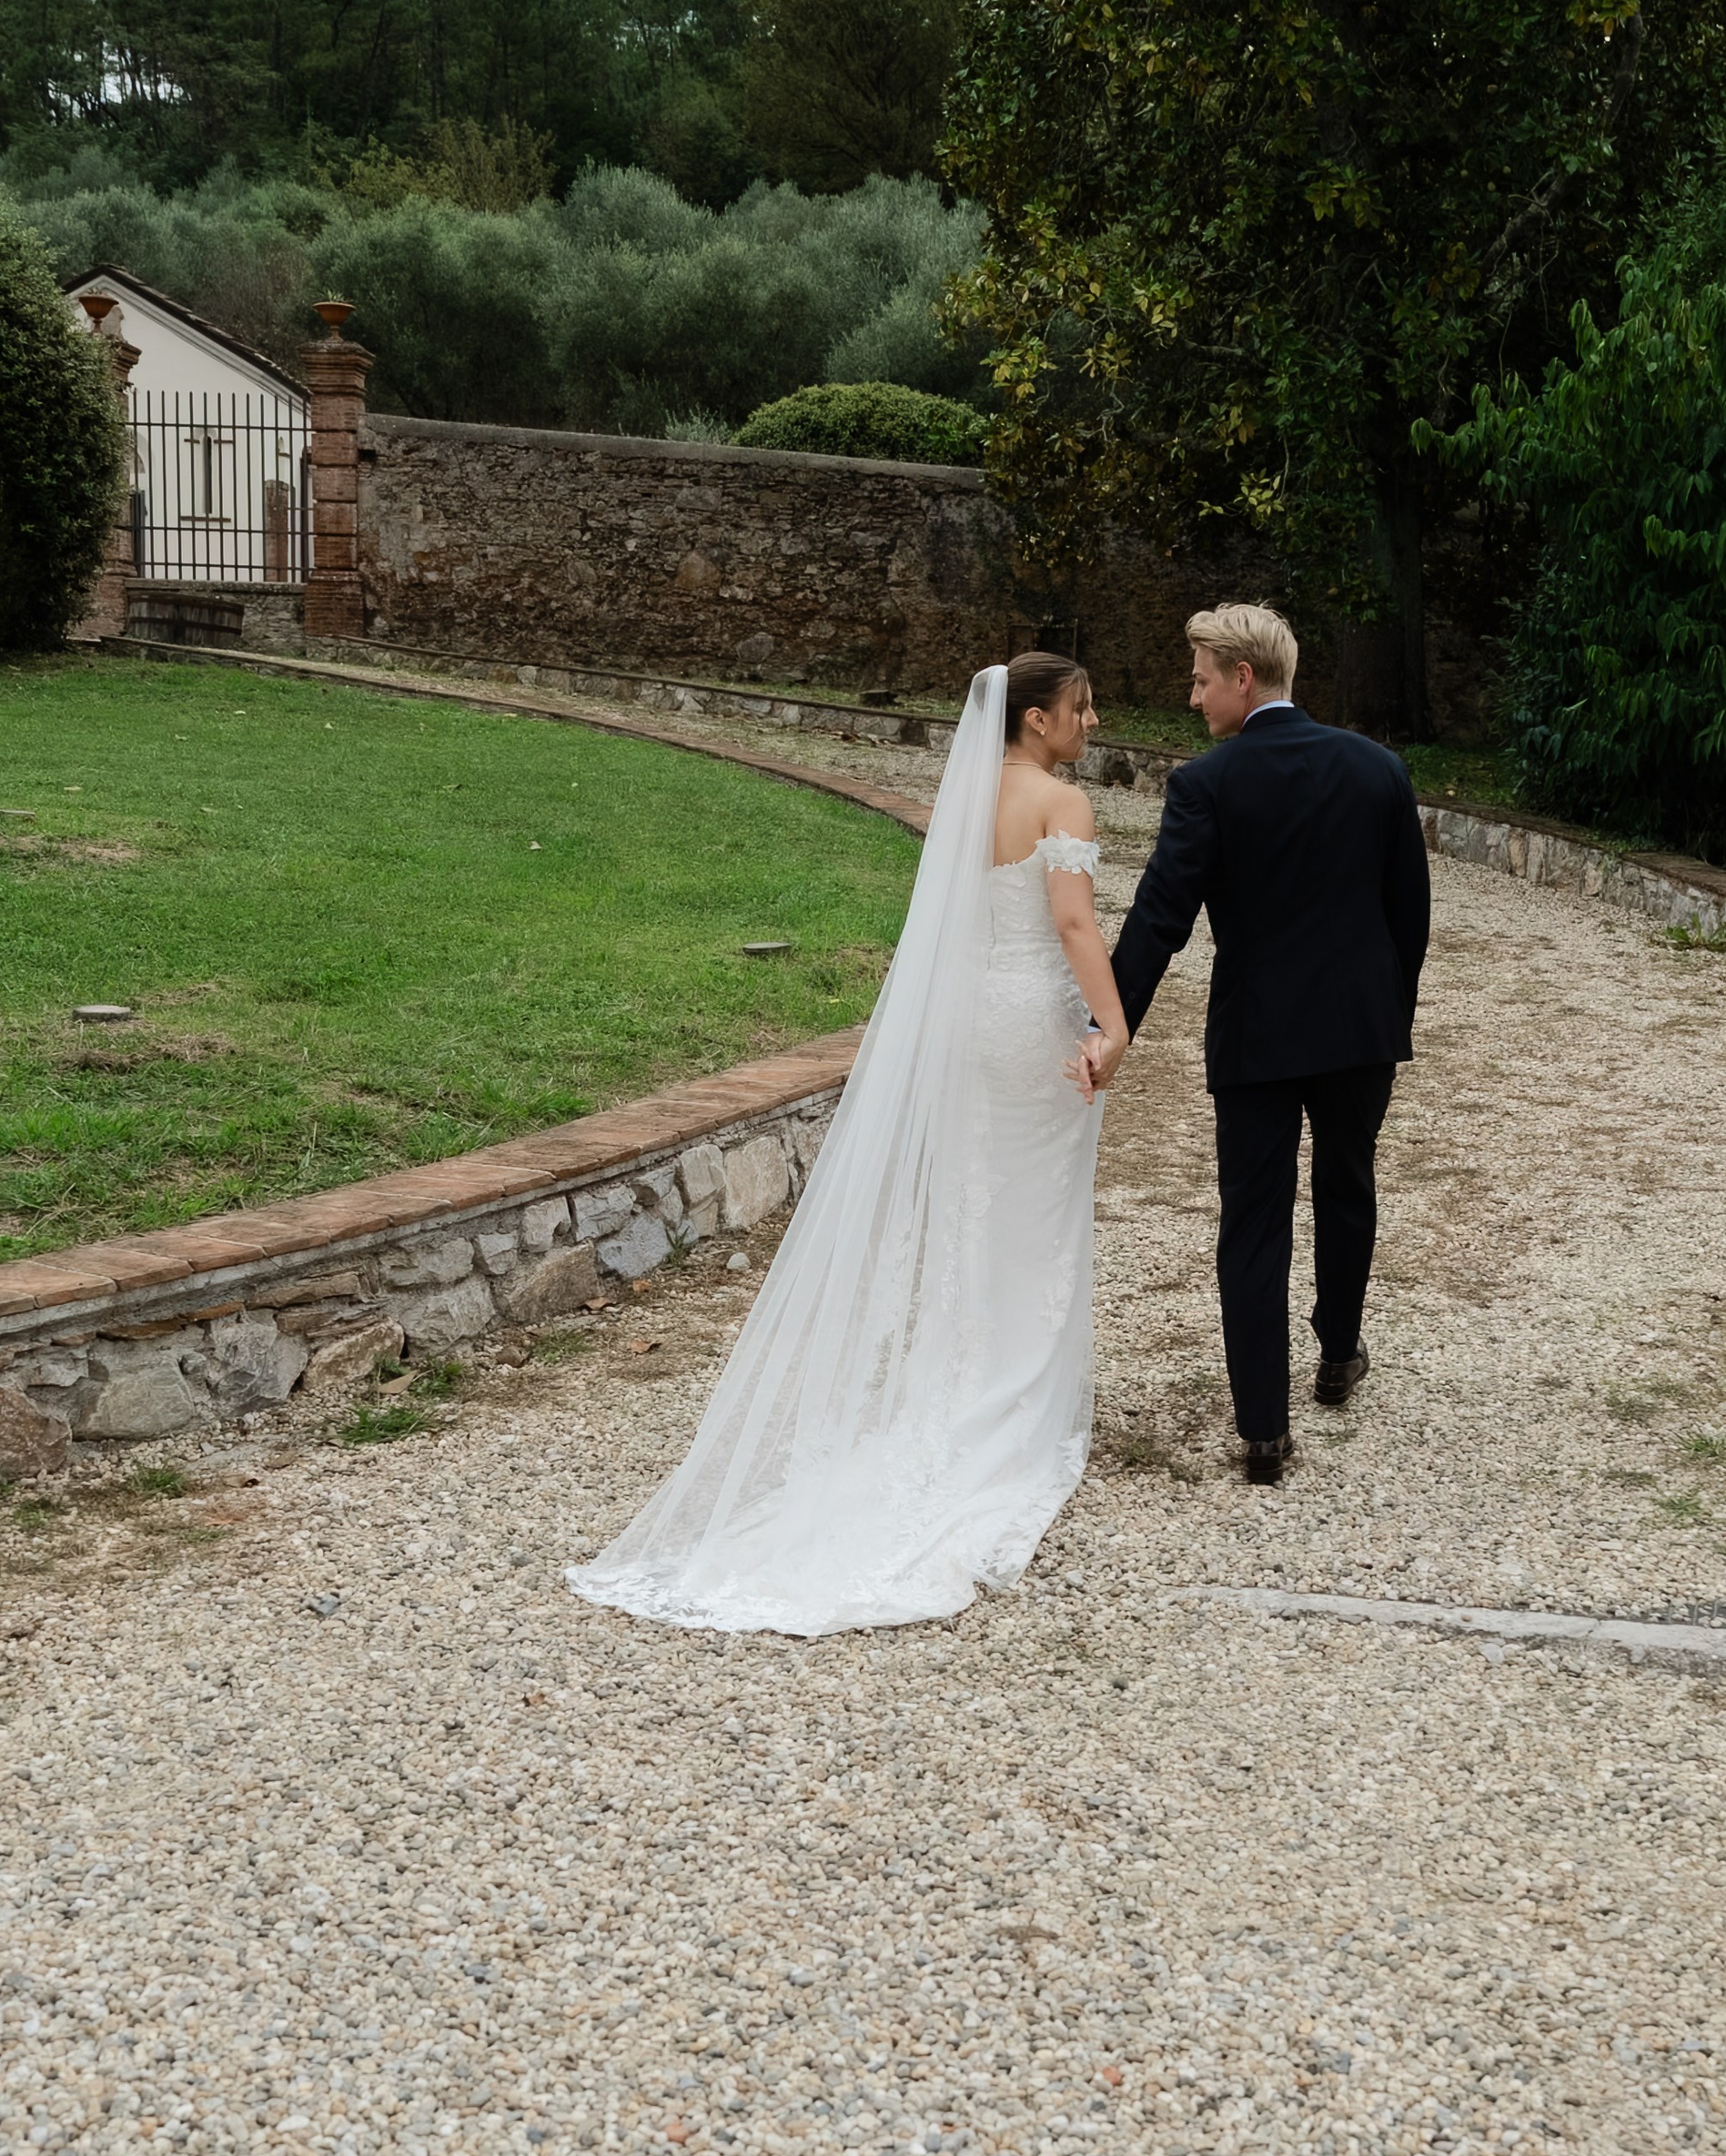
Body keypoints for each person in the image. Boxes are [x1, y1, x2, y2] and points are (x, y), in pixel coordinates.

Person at [568, 654, 1130, 1635]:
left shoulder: (966, 799)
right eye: (1079, 710)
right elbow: (1074, 924)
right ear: (1036, 719)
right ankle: (1009, 1401)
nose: (1090, 723)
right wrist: (1113, 1025)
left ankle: (964, 1381)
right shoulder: (1061, 804)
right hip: (1030, 1020)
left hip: (964, 1019)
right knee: (1031, 1212)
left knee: (974, 1200)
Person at [1102, 602, 1430, 1486]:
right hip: (1361, 1032)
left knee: (1254, 1219)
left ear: (1244, 678)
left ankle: (1261, 1431)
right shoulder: (1378, 771)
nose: (1192, 694)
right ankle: (1337, 1355)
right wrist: (1387, 1016)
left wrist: (1109, 1023)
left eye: (1201, 678)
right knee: (1347, 1183)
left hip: (1257, 1034)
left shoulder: (1207, 785)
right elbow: (1409, 916)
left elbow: (1159, 919)